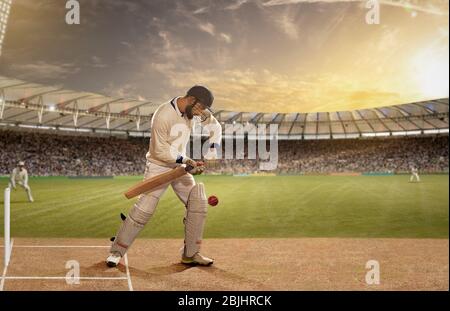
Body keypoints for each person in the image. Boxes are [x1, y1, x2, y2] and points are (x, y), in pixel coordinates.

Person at [106, 85, 222, 267]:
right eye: (200, 108)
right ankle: (116, 251)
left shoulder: (195, 112)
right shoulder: (163, 114)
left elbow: (215, 126)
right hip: (159, 166)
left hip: (181, 168)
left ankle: (190, 254)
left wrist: (213, 152)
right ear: (192, 100)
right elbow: (159, 151)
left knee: (197, 202)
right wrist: (187, 160)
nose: (201, 114)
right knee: (144, 208)